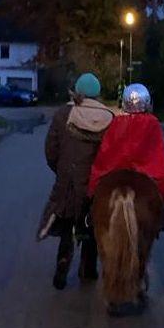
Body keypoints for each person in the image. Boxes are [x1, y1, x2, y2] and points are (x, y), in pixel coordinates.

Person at [37, 73, 114, 290]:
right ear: (97, 93)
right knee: (91, 225)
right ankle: (88, 269)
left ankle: (62, 265)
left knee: (68, 224)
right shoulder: (108, 118)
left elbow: (51, 150)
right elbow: (111, 153)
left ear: (77, 91)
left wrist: (61, 171)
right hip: (95, 183)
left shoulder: (63, 114)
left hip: (69, 181)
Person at [88, 83, 164, 231]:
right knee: (161, 182)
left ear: (125, 103)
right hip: (145, 172)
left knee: (96, 186)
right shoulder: (152, 123)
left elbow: (107, 151)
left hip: (118, 170)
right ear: (147, 102)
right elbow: (157, 154)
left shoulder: (117, 122)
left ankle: (88, 214)